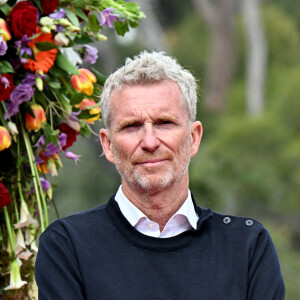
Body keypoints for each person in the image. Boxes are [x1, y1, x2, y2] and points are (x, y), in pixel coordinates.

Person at [35, 51, 285, 299]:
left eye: (164, 123)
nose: (150, 142)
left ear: (193, 137)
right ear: (108, 145)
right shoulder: (67, 247)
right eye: (132, 126)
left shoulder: (247, 247)